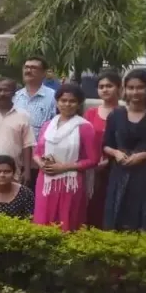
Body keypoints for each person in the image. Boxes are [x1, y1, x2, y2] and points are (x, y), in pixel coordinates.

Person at [101, 69, 146, 233]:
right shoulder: (116, 115)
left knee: (145, 223)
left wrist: (144, 156)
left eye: (140, 87)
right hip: (120, 173)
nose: (135, 92)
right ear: (124, 89)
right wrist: (116, 153)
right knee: (116, 223)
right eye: (131, 88)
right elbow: (105, 145)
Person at [33, 83, 97, 232]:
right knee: (43, 221)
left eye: (72, 101)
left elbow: (93, 160)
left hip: (70, 184)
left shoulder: (85, 127)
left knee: (67, 222)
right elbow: (37, 153)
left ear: (79, 104)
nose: (67, 104)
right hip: (46, 181)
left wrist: (63, 167)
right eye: (63, 100)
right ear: (57, 102)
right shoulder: (47, 125)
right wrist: (41, 164)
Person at [83, 70, 122, 228]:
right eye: (101, 86)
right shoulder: (90, 113)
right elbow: (84, 140)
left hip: (117, 166)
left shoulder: (124, 113)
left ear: (119, 88)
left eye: (109, 86)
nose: (105, 89)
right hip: (92, 167)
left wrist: (109, 160)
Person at [14, 56, 58, 151]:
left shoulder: (53, 97)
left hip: (41, 153)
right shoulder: (15, 97)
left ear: (44, 73)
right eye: (26, 67)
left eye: (33, 68)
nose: (28, 71)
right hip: (16, 152)